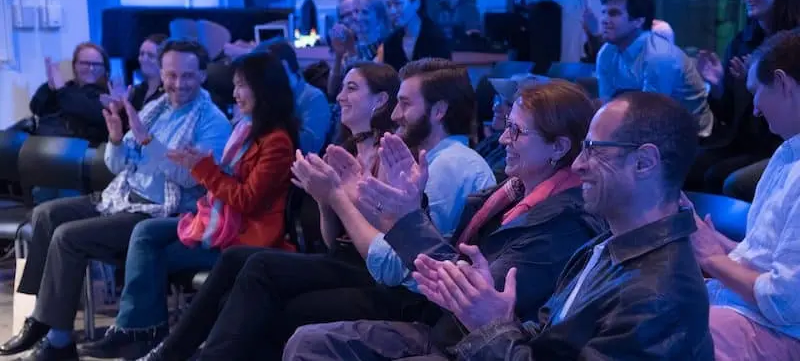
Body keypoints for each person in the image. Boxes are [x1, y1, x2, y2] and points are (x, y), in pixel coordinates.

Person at [299, 92, 715, 360]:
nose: (580, 164)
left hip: (476, 344)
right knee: (309, 341)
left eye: (595, 150)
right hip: (481, 343)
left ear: (644, 163)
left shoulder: (660, 295)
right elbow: (543, 335)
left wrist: (493, 324)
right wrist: (500, 318)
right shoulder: (608, 245)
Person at [282, 79, 607, 360]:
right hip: (443, 328)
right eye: (507, 126)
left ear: (558, 147)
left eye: (516, 131)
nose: (503, 139)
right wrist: (405, 209)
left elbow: (466, 294)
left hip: (472, 347)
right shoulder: (509, 193)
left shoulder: (564, 225)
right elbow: (442, 260)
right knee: (307, 340)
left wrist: (404, 216)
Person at [136, 61, 402, 361]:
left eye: (351, 89)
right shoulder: (343, 150)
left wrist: (336, 195)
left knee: (258, 269)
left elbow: (383, 244)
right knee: (229, 259)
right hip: (337, 256)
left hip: (368, 266)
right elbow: (333, 240)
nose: (339, 96)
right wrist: (323, 200)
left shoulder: (390, 154)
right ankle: (169, 353)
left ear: (381, 100)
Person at [0, 39, 232, 361]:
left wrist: (147, 140)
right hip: (122, 197)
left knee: (68, 237)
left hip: (161, 214)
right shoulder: (156, 108)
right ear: (161, 73)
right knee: (46, 214)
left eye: (188, 75)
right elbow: (116, 164)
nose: (178, 84)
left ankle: (58, 339)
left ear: (203, 75)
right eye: (171, 75)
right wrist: (115, 138)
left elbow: (189, 178)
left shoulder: (213, 121)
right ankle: (42, 319)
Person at [78, 52, 300, 359]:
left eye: (242, 86)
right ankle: (143, 332)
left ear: (264, 89)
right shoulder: (245, 128)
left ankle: (154, 341)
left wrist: (201, 168)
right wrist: (199, 164)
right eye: (235, 85)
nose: (235, 93)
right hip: (220, 220)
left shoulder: (275, 141)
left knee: (150, 251)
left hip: (245, 235)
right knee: (146, 233)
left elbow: (247, 200)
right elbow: (123, 163)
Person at [692, 27, 800, 360]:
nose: (755, 108)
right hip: (747, 312)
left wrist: (712, 259)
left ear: (782, 83)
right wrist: (715, 242)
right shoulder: (787, 152)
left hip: (778, 332)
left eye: (756, 92)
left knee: (666, 330)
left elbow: (784, 302)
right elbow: (766, 259)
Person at [691, 0, 799, 194]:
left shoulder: (793, 45)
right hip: (741, 141)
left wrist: (759, 83)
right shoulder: (741, 42)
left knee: (721, 178)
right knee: (690, 165)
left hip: (778, 142)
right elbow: (728, 114)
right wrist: (718, 85)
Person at [595, 0, 714, 138]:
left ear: (638, 21)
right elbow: (607, 105)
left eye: (614, 13)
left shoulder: (658, 57)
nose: (604, 20)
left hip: (693, 135)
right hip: (650, 127)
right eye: (603, 12)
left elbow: (652, 118)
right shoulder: (606, 53)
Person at [18, 42, 111, 145]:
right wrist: (49, 87)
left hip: (78, 149)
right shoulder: (67, 88)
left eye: (97, 64)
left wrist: (61, 89)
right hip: (42, 144)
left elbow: (84, 110)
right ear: (75, 66)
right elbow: (36, 107)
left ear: (105, 68)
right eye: (85, 63)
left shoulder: (108, 94)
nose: (91, 68)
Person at [254, 38, 331, 154]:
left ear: (284, 66)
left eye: (263, 71)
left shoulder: (314, 98)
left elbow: (309, 147)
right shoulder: (261, 95)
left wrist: (275, 107)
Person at [327, 0, 393, 98]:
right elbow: (331, 91)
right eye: (356, 11)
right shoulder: (356, 45)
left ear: (380, 17)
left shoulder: (388, 45)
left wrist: (351, 51)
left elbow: (364, 87)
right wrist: (338, 56)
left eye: (365, 12)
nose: (357, 17)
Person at [384, 0, 452, 72]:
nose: (392, 11)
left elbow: (444, 76)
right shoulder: (391, 42)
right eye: (388, 5)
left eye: (397, 4)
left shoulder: (436, 38)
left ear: (416, 3)